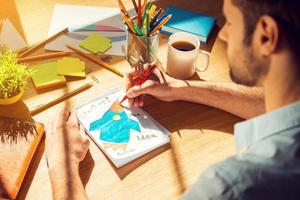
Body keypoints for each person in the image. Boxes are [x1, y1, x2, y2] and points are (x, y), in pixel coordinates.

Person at [45, 0, 300, 199]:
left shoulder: (231, 186)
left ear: (266, 35)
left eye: (231, 22)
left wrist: (62, 164)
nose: (223, 34)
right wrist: (180, 88)